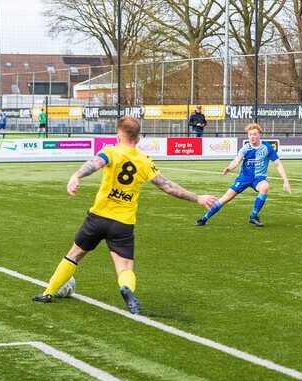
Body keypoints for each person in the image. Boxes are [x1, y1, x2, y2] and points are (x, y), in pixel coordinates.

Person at [31, 116, 217, 314]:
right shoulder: (144, 161)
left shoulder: (111, 151)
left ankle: (48, 293)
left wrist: (75, 176)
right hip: (123, 223)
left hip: (98, 218)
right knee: (125, 267)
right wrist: (197, 198)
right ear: (137, 139)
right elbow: (168, 187)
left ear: (118, 135)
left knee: (74, 254)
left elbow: (94, 164)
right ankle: (126, 288)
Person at [195, 123, 291, 228]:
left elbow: (278, 164)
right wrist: (229, 168)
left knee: (265, 187)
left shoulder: (267, 147)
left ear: (260, 135)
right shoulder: (245, 148)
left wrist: (285, 181)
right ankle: (204, 218)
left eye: (254, 134)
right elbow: (236, 160)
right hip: (244, 177)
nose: (252, 137)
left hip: (258, 179)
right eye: (250, 135)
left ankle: (253, 217)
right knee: (225, 198)